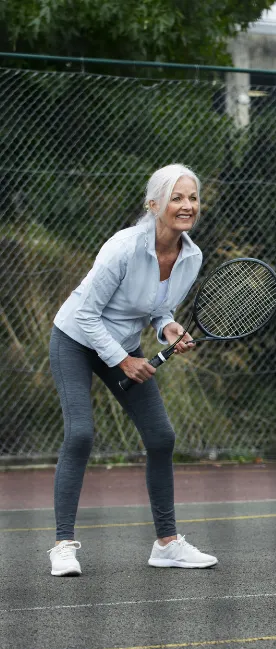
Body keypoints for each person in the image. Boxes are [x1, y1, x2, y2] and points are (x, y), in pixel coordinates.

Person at [47, 163, 218, 576]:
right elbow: (87, 314)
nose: (186, 206)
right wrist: (123, 360)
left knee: (161, 437)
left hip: (123, 344)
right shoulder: (122, 247)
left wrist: (168, 327)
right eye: (177, 198)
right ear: (154, 204)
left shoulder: (190, 256)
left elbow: (158, 308)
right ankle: (63, 546)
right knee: (81, 433)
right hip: (74, 338)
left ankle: (167, 544)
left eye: (192, 198)